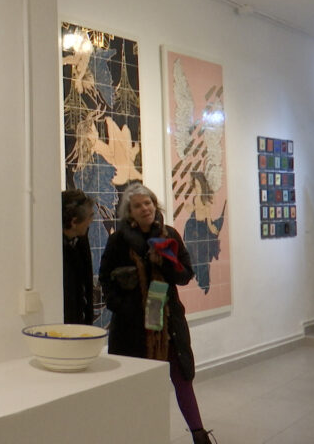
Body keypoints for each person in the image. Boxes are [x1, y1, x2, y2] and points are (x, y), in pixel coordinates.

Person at [98, 183, 214, 444]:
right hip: (132, 327)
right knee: (138, 385)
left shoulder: (169, 234)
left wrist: (167, 260)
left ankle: (199, 435)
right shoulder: (119, 241)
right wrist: (122, 306)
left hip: (168, 321)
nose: (145, 209)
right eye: (138, 206)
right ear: (129, 212)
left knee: (181, 378)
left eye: (148, 203)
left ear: (154, 204)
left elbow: (185, 275)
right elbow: (105, 278)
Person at [61, 189, 96, 325]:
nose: (91, 221)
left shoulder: (80, 241)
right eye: (90, 216)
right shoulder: (54, 252)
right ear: (74, 222)